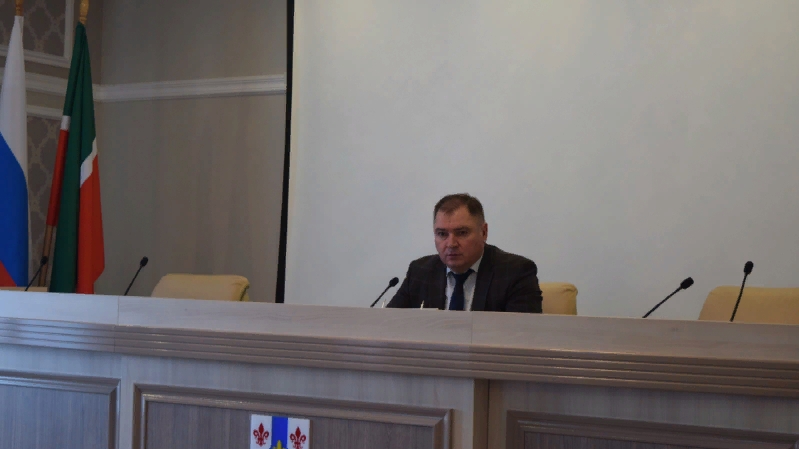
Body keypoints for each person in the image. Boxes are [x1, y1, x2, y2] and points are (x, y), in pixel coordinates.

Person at [386, 193, 543, 313]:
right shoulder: (420, 271)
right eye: (442, 234)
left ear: (484, 232)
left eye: (462, 233)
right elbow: (389, 326)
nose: (451, 244)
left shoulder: (515, 273)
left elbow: (523, 336)